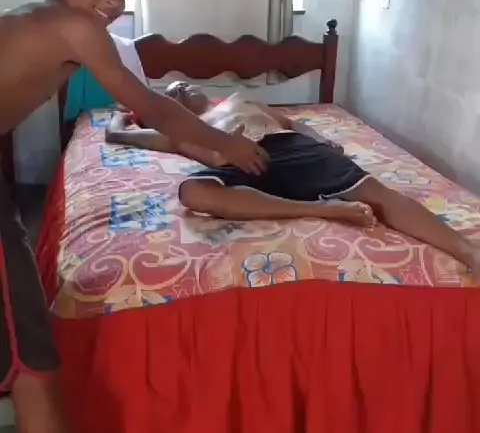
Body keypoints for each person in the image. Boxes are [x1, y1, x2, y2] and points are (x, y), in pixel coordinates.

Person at [0, 0, 268, 433]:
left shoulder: (27, 20)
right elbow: (150, 105)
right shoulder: (74, 27)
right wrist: (227, 147)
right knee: (34, 365)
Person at [106, 82, 480, 276]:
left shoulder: (241, 100)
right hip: (236, 167)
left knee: (377, 193)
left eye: (184, 84)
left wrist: (322, 140)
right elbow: (116, 135)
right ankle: (324, 209)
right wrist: (122, 114)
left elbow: (293, 122)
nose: (182, 89)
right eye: (173, 93)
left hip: (286, 146)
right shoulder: (180, 131)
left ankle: (468, 252)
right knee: (193, 192)